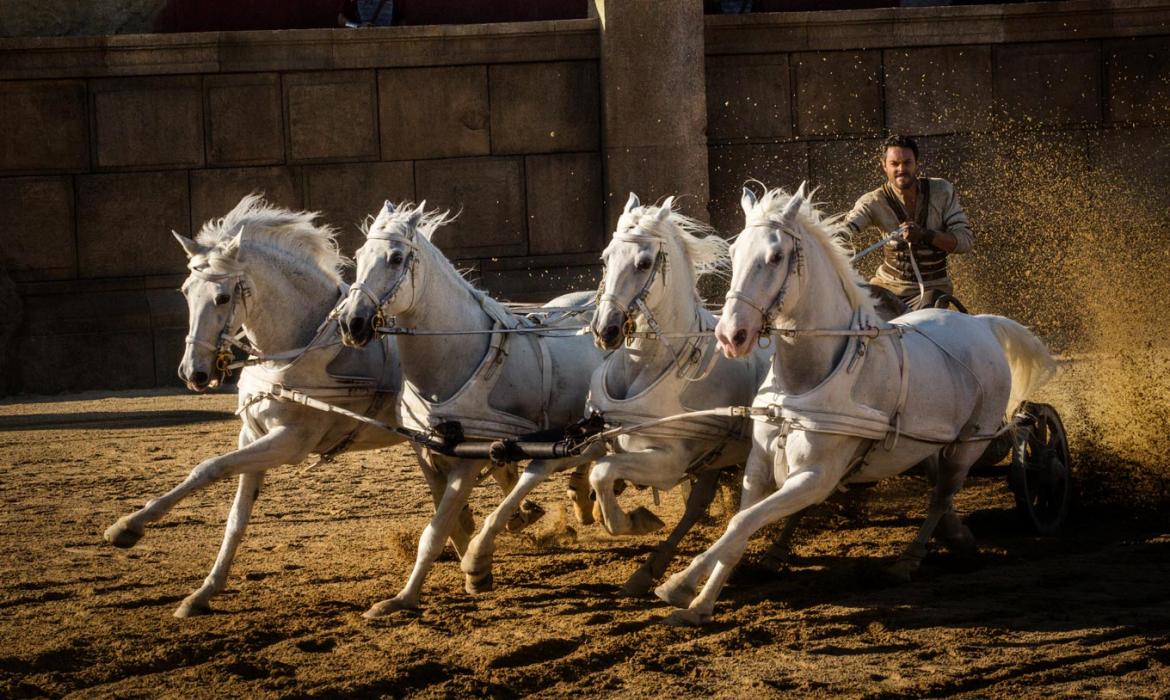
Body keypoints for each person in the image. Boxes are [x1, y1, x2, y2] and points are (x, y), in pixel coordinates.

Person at [841, 135, 973, 309]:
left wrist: (925, 235)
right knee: (854, 314)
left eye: (907, 163)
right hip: (887, 288)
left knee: (924, 318)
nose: (901, 169)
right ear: (884, 166)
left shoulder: (942, 191)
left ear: (916, 164)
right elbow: (844, 230)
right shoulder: (872, 201)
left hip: (933, 290)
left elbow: (965, 241)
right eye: (894, 164)